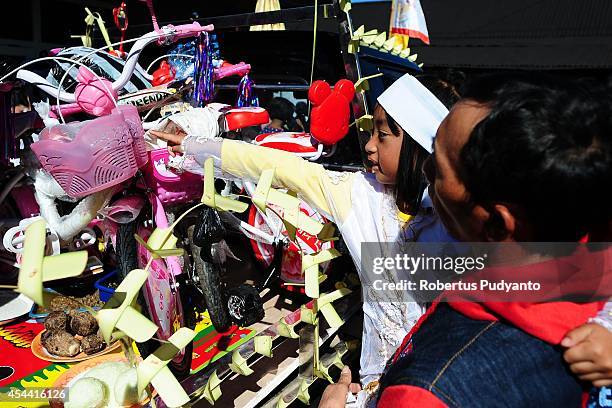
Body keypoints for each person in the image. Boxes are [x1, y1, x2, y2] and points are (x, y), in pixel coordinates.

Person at [319, 73, 612, 407]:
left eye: (441, 169)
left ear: (497, 223)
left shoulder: (428, 390)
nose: (426, 171)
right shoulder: (587, 244)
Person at [150, 73, 457, 387]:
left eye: (382, 136)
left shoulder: (458, 220)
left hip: (443, 378)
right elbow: (280, 167)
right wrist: (194, 144)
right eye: (370, 133)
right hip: (379, 376)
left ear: (418, 145)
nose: (369, 146)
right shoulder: (359, 196)